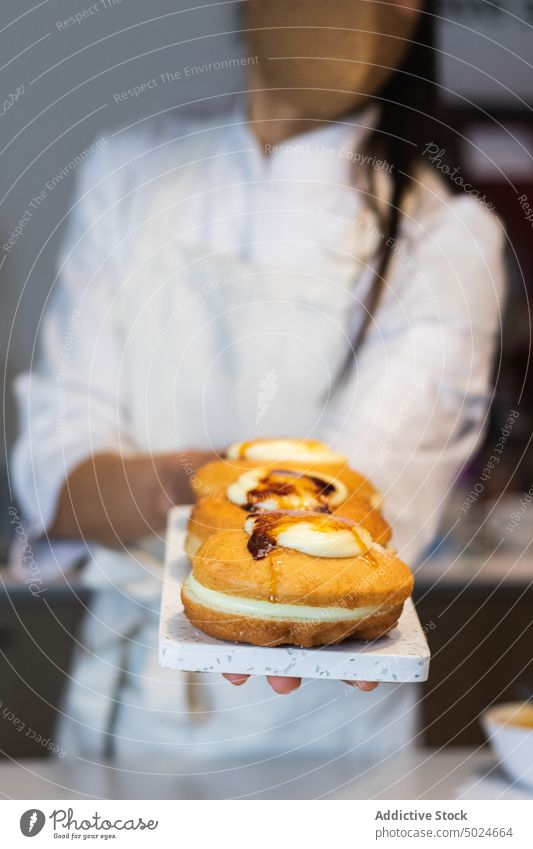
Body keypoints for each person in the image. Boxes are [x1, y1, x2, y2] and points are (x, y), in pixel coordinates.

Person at [11, 0, 505, 764]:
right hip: (116, 707)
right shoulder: (130, 169)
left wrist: (186, 494)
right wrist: (205, 486)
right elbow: (55, 466)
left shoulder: (447, 240)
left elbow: (345, 522)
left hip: (318, 725)